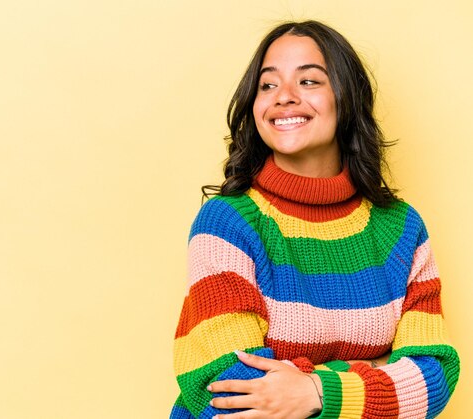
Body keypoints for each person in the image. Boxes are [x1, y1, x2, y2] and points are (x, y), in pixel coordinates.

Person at [170, 20, 459, 419]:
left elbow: (435, 379)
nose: (283, 97)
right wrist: (378, 370)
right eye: (267, 85)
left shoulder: (401, 228)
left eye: (309, 81)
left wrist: (315, 389)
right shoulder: (228, 223)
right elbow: (228, 390)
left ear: (347, 97)